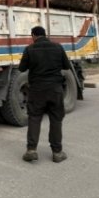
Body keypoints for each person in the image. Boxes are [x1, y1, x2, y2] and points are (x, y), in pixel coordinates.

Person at [18, 26, 71, 163]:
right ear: (45, 35)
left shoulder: (29, 49)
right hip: (55, 89)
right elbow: (66, 66)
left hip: (37, 90)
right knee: (56, 120)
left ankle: (31, 150)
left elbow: (22, 68)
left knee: (34, 118)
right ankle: (57, 153)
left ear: (34, 36)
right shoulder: (58, 47)